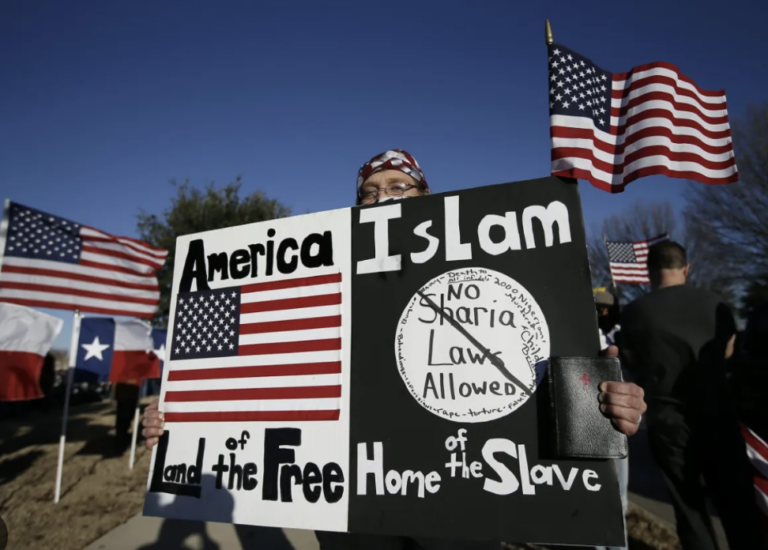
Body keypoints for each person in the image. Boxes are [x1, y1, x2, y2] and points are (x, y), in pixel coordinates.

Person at [142, 149, 648, 550]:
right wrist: (181, 420)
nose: (383, 198)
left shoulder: (495, 265)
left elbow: (536, 373)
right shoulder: (327, 277)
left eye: (398, 187)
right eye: (370, 192)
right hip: (353, 507)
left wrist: (606, 407)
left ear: (427, 195)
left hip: (460, 505)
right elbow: (255, 370)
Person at [619, 241, 766, 550]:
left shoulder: (633, 313)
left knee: (689, 509)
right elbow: (728, 351)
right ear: (686, 268)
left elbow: (631, 362)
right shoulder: (716, 305)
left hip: (668, 423)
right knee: (737, 506)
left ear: (649, 271)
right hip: (719, 415)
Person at [593, 290, 629, 550]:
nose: (601, 313)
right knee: (594, 495)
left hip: (618, 421)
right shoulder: (580, 332)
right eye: (597, 308)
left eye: (605, 309)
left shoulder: (622, 335)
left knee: (617, 497)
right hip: (590, 420)